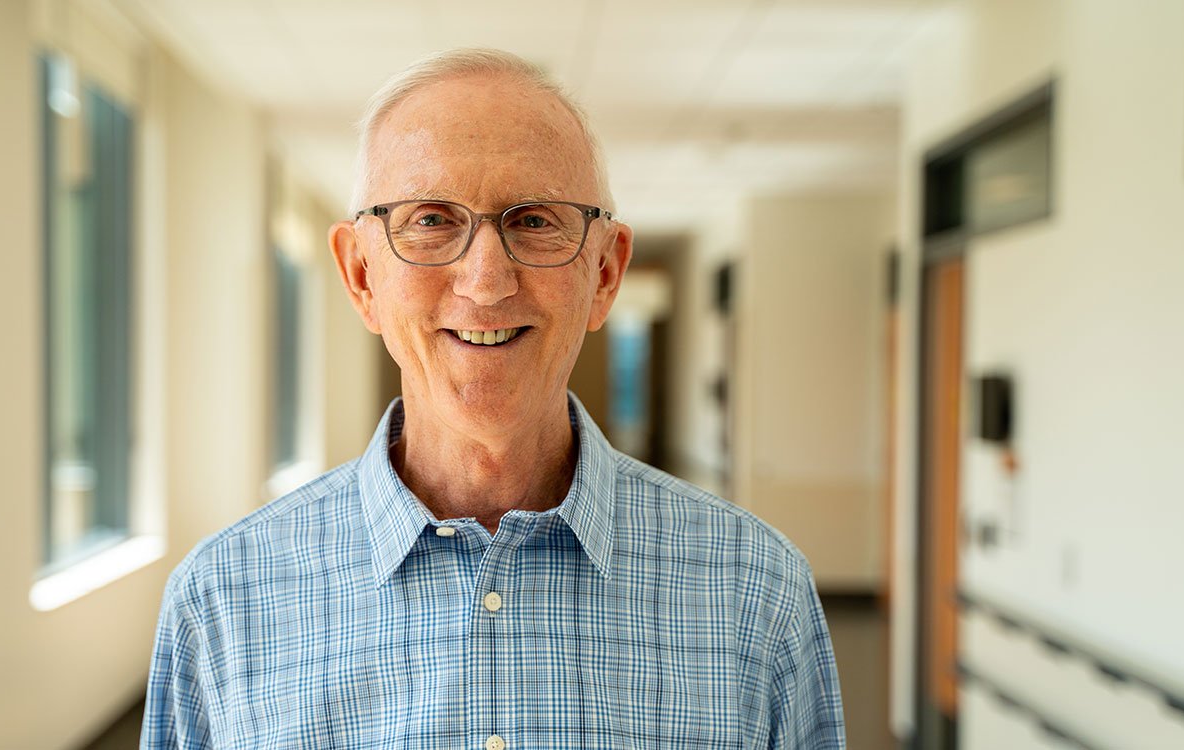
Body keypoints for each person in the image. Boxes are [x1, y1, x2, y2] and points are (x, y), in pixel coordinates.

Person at [143, 48, 845, 749]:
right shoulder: (220, 605)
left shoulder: (757, 594)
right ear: (361, 275)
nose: (485, 281)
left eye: (534, 220)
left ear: (605, 272)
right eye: (430, 219)